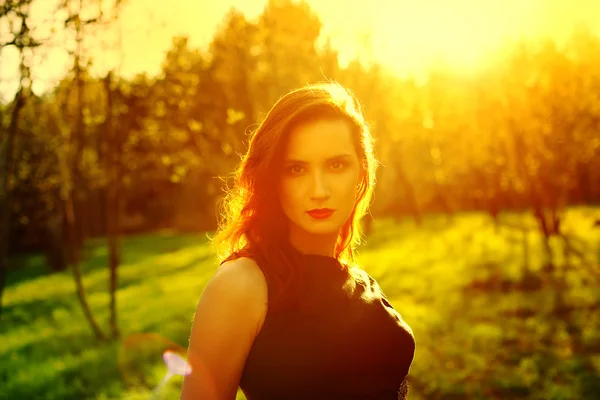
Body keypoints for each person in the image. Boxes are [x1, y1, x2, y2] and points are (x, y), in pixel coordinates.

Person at [180, 82, 415, 400]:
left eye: (336, 165)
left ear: (362, 173)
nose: (318, 190)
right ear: (271, 179)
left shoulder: (361, 282)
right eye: (296, 169)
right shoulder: (242, 284)